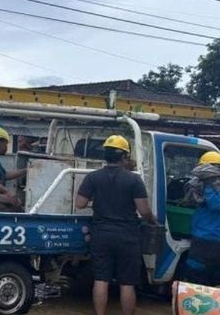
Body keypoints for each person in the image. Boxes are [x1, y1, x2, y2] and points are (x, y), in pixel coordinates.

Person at [75, 135, 156, 315]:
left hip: (101, 235)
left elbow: (79, 203)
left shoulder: (93, 177)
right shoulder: (134, 180)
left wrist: (97, 200)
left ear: (105, 155)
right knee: (127, 283)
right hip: (127, 237)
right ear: (124, 157)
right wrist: (152, 218)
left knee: (101, 279)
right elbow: (144, 211)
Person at [184, 151, 220, 286]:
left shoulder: (207, 186)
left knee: (197, 278)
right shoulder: (202, 185)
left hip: (207, 240)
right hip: (206, 238)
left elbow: (215, 205)